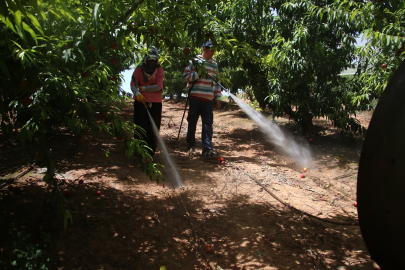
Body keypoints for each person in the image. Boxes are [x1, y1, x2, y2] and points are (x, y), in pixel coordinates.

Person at [182, 40, 222, 158]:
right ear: (204, 49)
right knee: (192, 123)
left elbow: (217, 82)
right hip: (195, 98)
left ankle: (207, 149)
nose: (213, 52)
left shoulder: (214, 64)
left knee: (207, 124)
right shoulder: (194, 62)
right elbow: (185, 77)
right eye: (211, 49)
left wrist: (217, 98)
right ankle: (191, 147)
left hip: (208, 99)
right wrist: (198, 74)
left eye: (214, 49)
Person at [130, 47, 164, 158]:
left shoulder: (159, 70)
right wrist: (137, 94)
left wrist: (143, 89)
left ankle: (150, 154)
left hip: (155, 104)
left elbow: (158, 87)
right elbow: (133, 85)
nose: (151, 62)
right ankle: (140, 152)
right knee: (140, 127)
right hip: (140, 103)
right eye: (149, 60)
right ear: (145, 60)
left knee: (153, 129)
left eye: (153, 60)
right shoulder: (138, 70)